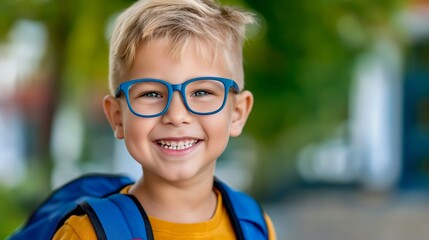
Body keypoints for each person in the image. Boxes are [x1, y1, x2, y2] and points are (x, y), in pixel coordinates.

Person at [54, 0, 276, 239]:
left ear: (237, 113)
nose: (176, 116)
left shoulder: (254, 225)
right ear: (117, 117)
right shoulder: (85, 234)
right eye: (151, 94)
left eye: (202, 92)